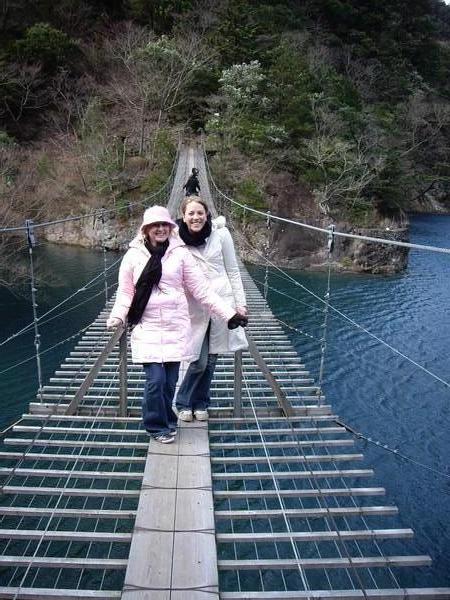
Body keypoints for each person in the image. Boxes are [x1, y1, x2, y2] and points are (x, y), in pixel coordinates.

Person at [106, 205, 246, 444]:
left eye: (164, 225)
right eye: (154, 226)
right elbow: (126, 291)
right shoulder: (133, 256)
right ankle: (155, 425)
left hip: (174, 326)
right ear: (146, 229)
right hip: (147, 326)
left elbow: (202, 290)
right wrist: (118, 315)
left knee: (170, 382)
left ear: (171, 228)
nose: (160, 229)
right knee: (156, 381)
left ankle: (169, 421)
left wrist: (229, 314)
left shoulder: (180, 254)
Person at [175, 196, 248, 422]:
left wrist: (240, 303)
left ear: (207, 214)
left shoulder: (221, 235)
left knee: (212, 358)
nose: (196, 217)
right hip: (193, 303)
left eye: (200, 213)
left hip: (221, 302)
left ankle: (200, 403)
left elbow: (233, 270)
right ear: (183, 216)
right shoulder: (174, 237)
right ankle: (183, 401)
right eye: (191, 213)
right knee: (199, 360)